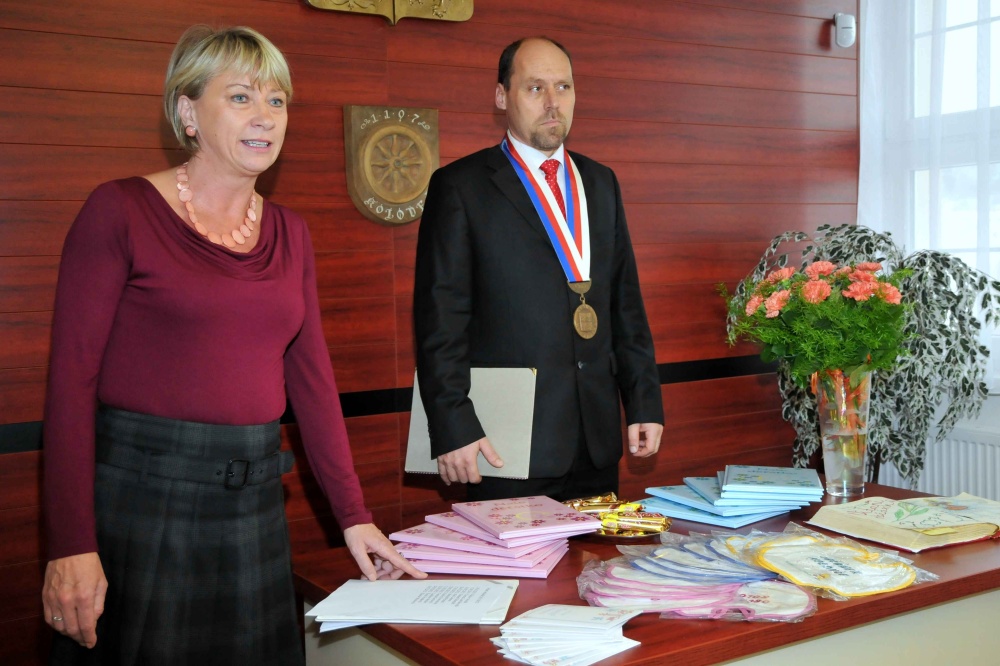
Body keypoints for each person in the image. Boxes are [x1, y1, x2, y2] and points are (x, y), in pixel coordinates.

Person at [40, 25, 424, 665]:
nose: (265, 116)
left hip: (253, 509)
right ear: (187, 112)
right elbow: (69, 388)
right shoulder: (119, 210)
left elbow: (313, 386)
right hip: (144, 506)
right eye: (241, 97)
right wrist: (71, 545)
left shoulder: (291, 232)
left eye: (277, 101)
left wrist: (354, 517)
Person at [413, 37, 664, 502]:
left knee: (596, 553)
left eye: (563, 86)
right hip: (503, 444)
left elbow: (625, 303)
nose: (553, 102)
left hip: (596, 442)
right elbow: (440, 321)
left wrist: (644, 401)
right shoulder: (460, 187)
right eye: (535, 88)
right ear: (501, 96)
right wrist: (453, 424)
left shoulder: (600, 182)